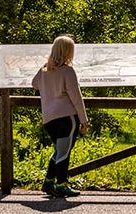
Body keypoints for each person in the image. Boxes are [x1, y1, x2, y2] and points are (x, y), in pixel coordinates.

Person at [32, 35, 89, 198]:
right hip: (67, 118)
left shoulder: (44, 70)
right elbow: (76, 97)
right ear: (68, 52)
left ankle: (49, 182)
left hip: (49, 119)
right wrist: (84, 120)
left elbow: (34, 84)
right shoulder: (68, 71)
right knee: (63, 153)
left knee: (59, 150)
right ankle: (61, 184)